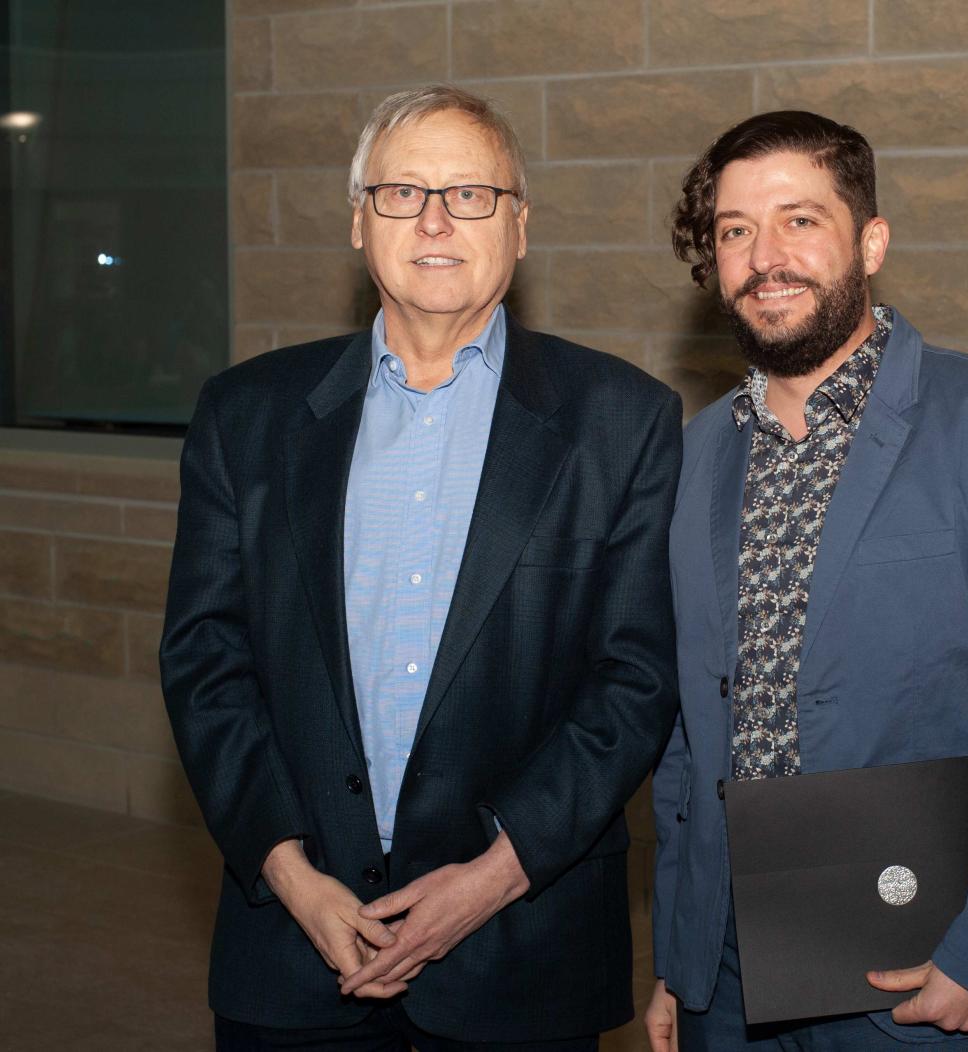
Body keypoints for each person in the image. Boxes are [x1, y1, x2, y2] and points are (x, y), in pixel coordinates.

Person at [161, 84, 682, 1052]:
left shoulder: (623, 420)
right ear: (360, 223)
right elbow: (205, 660)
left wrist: (491, 876)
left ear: (519, 227)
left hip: (521, 950)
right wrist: (289, 871)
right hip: (293, 944)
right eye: (402, 193)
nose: (436, 220)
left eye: (472, 194)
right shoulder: (246, 416)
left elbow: (638, 680)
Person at [646, 110, 968, 1051]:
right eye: (737, 230)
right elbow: (685, 725)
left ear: (870, 242)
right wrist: (678, 954)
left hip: (916, 965)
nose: (765, 255)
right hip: (729, 975)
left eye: (800, 219)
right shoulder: (697, 454)